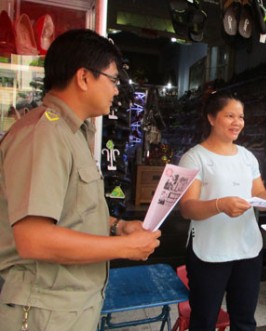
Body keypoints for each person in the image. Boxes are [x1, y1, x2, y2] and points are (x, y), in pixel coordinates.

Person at [0, 29, 161, 331]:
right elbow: (33, 239)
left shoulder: (73, 133)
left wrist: (118, 227)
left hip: (69, 306)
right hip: (44, 312)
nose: (116, 91)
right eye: (113, 80)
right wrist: (125, 249)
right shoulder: (44, 135)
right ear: (84, 77)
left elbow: (71, 213)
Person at [178, 90, 266, 331]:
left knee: (244, 320)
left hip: (247, 249)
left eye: (241, 117)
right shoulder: (194, 158)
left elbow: (258, 192)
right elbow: (187, 208)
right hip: (209, 252)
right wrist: (219, 205)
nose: (237, 122)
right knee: (204, 320)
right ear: (211, 117)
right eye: (230, 116)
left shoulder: (248, 157)